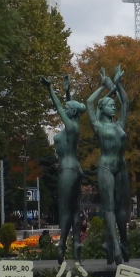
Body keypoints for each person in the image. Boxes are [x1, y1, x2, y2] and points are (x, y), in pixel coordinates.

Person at [43, 74, 99, 265]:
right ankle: (76, 245)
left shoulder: (71, 125)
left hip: (67, 169)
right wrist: (67, 91)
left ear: (72, 113)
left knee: (65, 210)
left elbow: (60, 108)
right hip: (75, 169)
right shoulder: (73, 126)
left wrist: (50, 88)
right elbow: (69, 106)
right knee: (75, 210)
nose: (65, 110)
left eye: (68, 110)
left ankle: (62, 245)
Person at [86, 66, 131, 264]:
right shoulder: (98, 125)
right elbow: (89, 102)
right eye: (110, 105)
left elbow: (125, 102)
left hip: (121, 166)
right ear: (102, 109)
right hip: (105, 166)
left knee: (122, 209)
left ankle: (122, 242)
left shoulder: (119, 125)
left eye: (114, 105)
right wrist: (105, 86)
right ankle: (115, 246)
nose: (114, 107)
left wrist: (117, 83)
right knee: (110, 207)